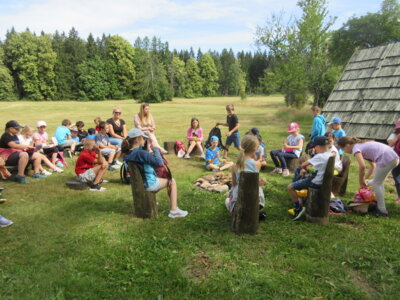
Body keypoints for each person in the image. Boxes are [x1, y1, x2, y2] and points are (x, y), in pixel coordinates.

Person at [122, 128, 188, 218]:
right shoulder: (140, 154)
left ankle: (154, 202)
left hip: (140, 184)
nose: (144, 140)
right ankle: (174, 210)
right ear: (137, 139)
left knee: (161, 179)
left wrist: (148, 146)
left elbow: (142, 154)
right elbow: (159, 162)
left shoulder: (130, 152)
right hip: (148, 184)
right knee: (172, 181)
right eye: (143, 138)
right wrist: (156, 147)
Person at [338, 137, 399, 216]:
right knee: (378, 182)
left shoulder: (356, 148)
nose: (344, 151)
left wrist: (361, 180)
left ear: (347, 145)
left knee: (377, 183)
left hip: (387, 158)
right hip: (393, 158)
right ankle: (378, 203)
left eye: (342, 149)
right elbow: (372, 165)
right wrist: (366, 179)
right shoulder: (360, 145)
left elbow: (362, 166)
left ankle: (382, 210)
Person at [288, 136, 332, 220]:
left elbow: (303, 165)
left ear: (318, 147)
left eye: (315, 147)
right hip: (324, 181)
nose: (314, 149)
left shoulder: (320, 156)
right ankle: (301, 202)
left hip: (316, 182)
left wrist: (306, 170)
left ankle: (298, 208)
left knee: (290, 187)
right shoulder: (331, 155)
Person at [225, 135, 266, 215]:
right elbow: (254, 181)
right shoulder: (257, 164)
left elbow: (234, 184)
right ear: (255, 149)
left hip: (238, 204)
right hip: (257, 203)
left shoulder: (234, 166)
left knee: (227, 200)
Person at [387, 120, 400, 203]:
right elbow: (390, 145)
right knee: (397, 178)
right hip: (396, 160)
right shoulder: (396, 136)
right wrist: (397, 137)